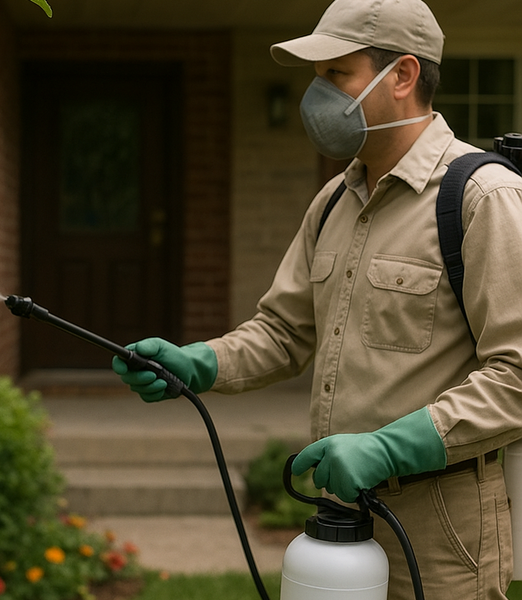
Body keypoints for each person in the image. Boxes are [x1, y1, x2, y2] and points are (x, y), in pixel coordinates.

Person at [111, 0, 522, 598]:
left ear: (403, 76)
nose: (316, 93)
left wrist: (388, 448)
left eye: (336, 74)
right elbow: (284, 332)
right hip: (340, 513)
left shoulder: (484, 198)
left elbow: (517, 374)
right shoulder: (333, 199)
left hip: (442, 528)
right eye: (316, 75)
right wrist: (198, 363)